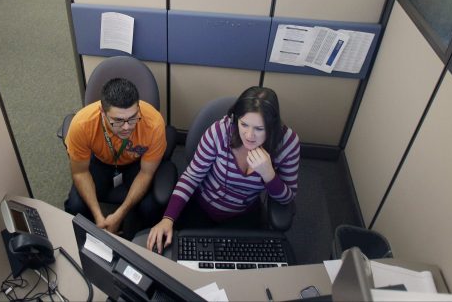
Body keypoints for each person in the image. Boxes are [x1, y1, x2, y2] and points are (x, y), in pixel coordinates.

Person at [147, 87, 300, 253]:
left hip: (243, 214)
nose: (249, 135)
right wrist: (168, 218)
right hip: (202, 205)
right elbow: (191, 177)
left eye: (259, 129)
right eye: (244, 124)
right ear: (235, 119)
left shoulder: (287, 143)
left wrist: (269, 175)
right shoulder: (219, 131)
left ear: (272, 127)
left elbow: (287, 198)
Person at [65, 78, 166, 234]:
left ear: (138, 109)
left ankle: (134, 243)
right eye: (118, 121)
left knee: (150, 207)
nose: (127, 127)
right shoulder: (82, 125)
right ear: (103, 113)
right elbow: (80, 172)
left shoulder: (154, 123)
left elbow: (146, 173)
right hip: (100, 160)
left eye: (133, 118)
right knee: (75, 205)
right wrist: (99, 217)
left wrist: (120, 214)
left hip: (136, 162)